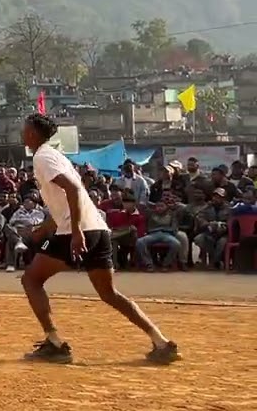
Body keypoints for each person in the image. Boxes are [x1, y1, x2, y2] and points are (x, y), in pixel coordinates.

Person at [18, 113, 180, 365]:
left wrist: (75, 231)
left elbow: (72, 190)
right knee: (109, 293)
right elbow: (70, 198)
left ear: (31, 134)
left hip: (77, 231)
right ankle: (160, 341)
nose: (21, 133)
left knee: (31, 279)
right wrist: (44, 228)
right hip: (98, 230)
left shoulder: (41, 157)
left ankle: (54, 343)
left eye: (24, 129)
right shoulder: (54, 155)